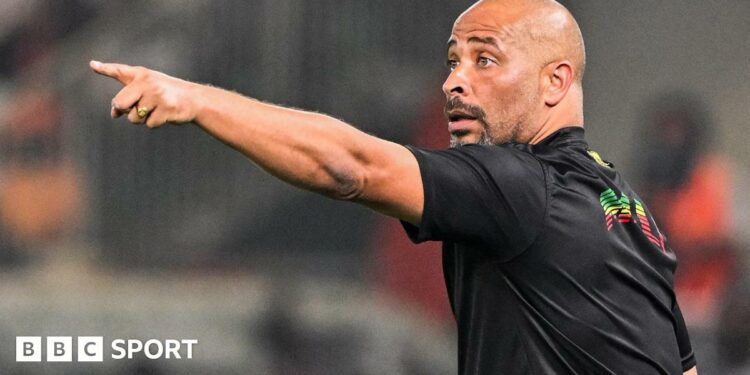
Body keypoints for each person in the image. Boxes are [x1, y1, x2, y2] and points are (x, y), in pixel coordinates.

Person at [89, 0, 697, 373]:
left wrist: (196, 99)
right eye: (453, 60)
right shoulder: (629, 211)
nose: (455, 82)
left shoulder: (518, 187)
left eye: (484, 60)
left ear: (555, 81)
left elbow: (353, 166)